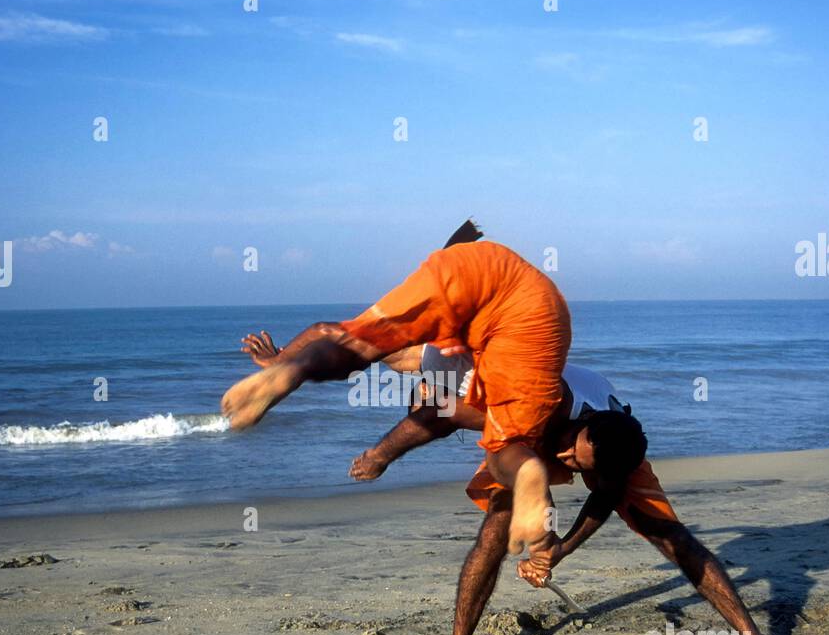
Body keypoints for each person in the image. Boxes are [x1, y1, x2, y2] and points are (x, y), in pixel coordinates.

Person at [237, 335, 791, 635]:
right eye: (572, 454)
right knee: (494, 533)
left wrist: (558, 553)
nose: (569, 465)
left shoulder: (612, 454)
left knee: (673, 538)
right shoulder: (523, 399)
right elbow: (437, 410)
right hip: (530, 428)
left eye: (578, 463)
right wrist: (378, 453)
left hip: (608, 433)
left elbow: (602, 496)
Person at [221, 223, 571, 568]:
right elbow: (437, 420)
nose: (422, 404)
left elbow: (323, 331)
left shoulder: (422, 361)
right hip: (528, 310)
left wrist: (283, 361)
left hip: (473, 271)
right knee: (507, 454)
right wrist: (379, 456)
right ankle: (291, 373)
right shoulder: (453, 389)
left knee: (357, 345)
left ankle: (294, 374)